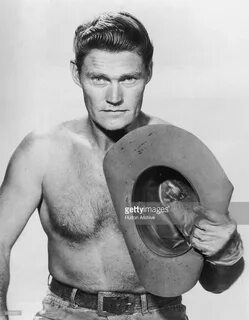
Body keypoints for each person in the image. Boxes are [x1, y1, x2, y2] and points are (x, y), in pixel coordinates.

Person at [0, 11, 244, 320]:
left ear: (148, 73)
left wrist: (228, 250)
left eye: (128, 78)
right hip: (65, 313)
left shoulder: (178, 153)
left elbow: (217, 283)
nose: (114, 97)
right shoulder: (43, 151)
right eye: (99, 78)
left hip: (157, 312)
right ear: (77, 75)